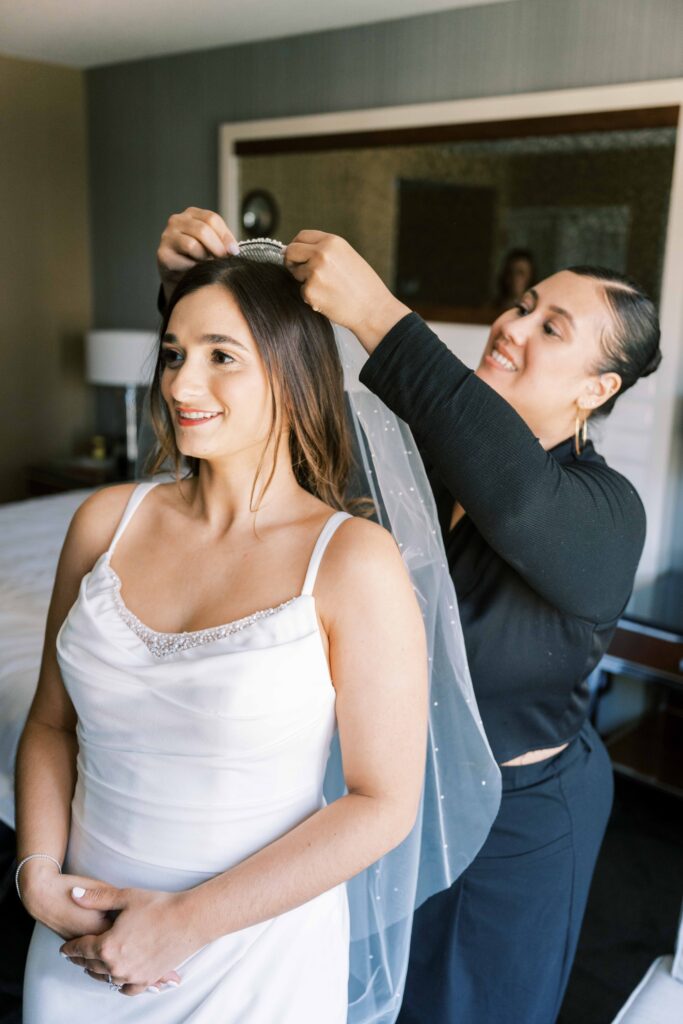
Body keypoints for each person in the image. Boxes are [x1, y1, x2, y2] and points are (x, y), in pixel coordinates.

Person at [155, 209, 662, 1023]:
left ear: (596, 388)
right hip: (370, 800)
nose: (511, 325)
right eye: (522, 304)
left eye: (550, 327)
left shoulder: (604, 516)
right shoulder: (404, 461)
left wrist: (375, 313)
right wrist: (188, 290)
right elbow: (267, 408)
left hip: (516, 823)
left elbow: (518, 500)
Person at [15, 252, 430, 1022]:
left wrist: (183, 924)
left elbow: (383, 803)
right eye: (174, 355)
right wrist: (36, 877)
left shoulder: (351, 560)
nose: (179, 385)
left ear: (292, 374)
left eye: (221, 357)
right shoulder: (105, 522)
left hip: (249, 957)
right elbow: (49, 722)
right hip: (80, 941)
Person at [494, 246, 536, 312]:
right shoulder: (491, 308)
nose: (514, 278)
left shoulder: (536, 310)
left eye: (521, 273)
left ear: (530, 276)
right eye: (510, 272)